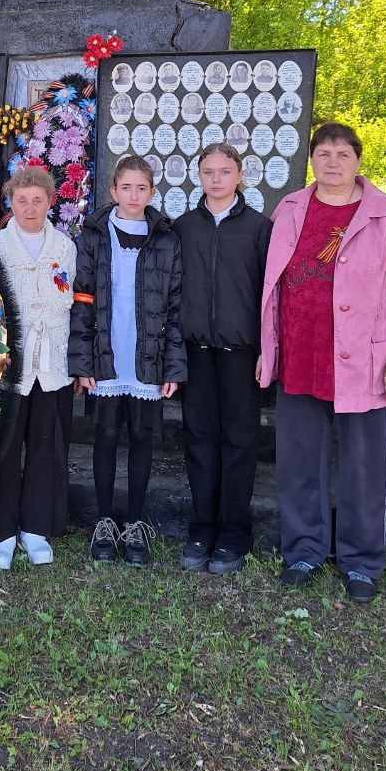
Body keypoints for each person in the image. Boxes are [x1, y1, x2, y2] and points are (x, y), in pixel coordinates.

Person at [258, 122, 386, 604]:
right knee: (299, 462)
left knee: (364, 465)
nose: (333, 163)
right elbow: (272, 286)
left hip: (365, 360)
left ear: (358, 161)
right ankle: (305, 549)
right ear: (312, 159)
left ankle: (361, 562)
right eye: (324, 153)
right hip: (301, 353)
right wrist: (269, 350)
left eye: (343, 154)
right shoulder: (290, 208)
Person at [68, 155, 186, 566]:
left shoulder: (167, 240)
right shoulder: (95, 235)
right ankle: (104, 520)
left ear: (152, 192)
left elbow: (174, 306)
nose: (133, 195)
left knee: (141, 439)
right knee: (104, 437)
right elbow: (81, 298)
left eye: (142, 188)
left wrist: (173, 364)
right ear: (113, 191)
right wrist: (82, 362)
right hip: (105, 354)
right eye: (126, 187)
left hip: (147, 356)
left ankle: (134, 522)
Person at [173, 144, 272, 574]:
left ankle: (233, 532)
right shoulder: (183, 228)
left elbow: (271, 296)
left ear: (239, 176)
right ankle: (202, 527)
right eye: (208, 171)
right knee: (199, 440)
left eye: (224, 171)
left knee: (238, 441)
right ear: (199, 176)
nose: (216, 179)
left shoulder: (259, 228)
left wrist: (268, 348)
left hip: (240, 352)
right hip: (195, 350)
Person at [0, 167, 77, 569]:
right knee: (2, 446)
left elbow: (70, 299)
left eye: (38, 200)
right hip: (9, 361)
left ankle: (37, 526)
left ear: (50, 202)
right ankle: (1, 530)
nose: (30, 208)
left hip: (52, 360)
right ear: (10, 203)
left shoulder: (65, 246)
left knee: (45, 444)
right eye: (22, 200)